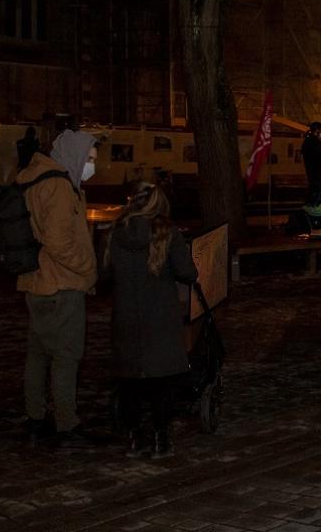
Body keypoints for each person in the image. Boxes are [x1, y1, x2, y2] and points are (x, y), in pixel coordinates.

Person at [18, 129, 99, 447]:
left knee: (38, 354)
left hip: (37, 281)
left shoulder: (34, 177)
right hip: (61, 285)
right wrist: (88, 267)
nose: (92, 166)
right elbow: (59, 242)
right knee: (66, 356)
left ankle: (35, 417)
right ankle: (67, 423)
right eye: (89, 159)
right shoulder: (59, 186)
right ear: (74, 156)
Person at [105, 183, 197, 459]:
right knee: (162, 381)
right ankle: (160, 437)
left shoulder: (116, 232)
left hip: (126, 316)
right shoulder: (167, 233)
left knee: (130, 381)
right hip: (160, 316)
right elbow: (187, 272)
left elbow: (106, 273)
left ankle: (134, 436)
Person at [301, 122, 321, 203]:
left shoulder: (308, 141)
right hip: (317, 171)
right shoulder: (314, 142)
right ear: (317, 130)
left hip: (312, 170)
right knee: (316, 189)